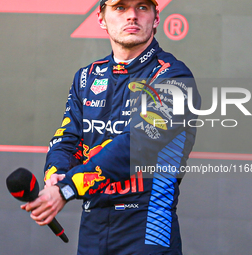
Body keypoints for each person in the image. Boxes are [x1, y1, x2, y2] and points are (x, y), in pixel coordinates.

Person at [21, 0, 201, 254]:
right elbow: (66, 140)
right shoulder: (87, 76)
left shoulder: (174, 77)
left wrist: (67, 189)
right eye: (120, 7)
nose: (131, 16)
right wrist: (56, 175)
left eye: (142, 7)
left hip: (150, 230)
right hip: (93, 231)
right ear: (101, 18)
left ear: (156, 18)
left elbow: (136, 145)